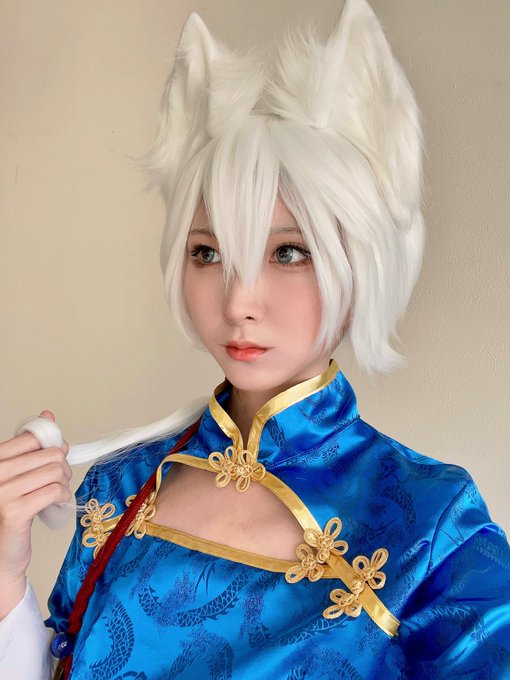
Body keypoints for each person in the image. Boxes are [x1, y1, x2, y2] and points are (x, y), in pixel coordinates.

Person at [1, 0, 509, 678]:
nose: (239, 302)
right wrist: (5, 577)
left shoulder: (430, 524)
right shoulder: (122, 486)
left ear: (364, 261)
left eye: (289, 253)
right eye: (208, 253)